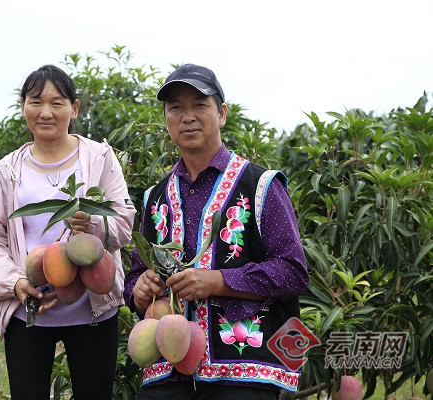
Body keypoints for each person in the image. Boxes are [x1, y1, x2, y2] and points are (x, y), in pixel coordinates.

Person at [124, 64, 309, 400]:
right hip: (166, 372)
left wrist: (217, 281)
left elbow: (293, 271)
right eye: (175, 107)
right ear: (166, 118)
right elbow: (137, 274)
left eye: (199, 104)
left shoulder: (261, 185)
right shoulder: (155, 197)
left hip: (245, 373)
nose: (187, 116)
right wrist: (138, 289)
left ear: (221, 113)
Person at [0, 64, 136, 400]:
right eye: (36, 102)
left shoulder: (100, 159)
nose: (46, 112)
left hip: (93, 312)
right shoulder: (7, 171)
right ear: (22, 108)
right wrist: (15, 283)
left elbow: (123, 223)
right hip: (29, 313)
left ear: (74, 108)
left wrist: (90, 222)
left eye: (57, 102)